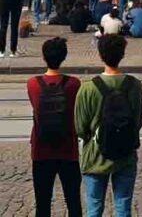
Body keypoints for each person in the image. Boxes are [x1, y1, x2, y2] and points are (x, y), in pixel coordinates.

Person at [75, 34, 142, 217]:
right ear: (122, 55)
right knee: (123, 207)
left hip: (95, 155)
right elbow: (138, 121)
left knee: (94, 209)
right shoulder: (135, 86)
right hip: (126, 153)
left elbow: (80, 128)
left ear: (100, 55)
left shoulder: (88, 88)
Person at [27, 37, 82, 217]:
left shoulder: (33, 83)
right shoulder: (74, 84)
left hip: (41, 150)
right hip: (68, 150)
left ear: (44, 57)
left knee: (42, 203)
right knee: (73, 201)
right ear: (64, 57)